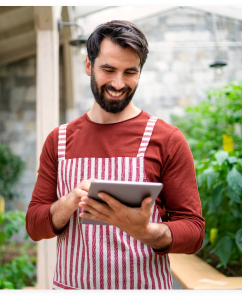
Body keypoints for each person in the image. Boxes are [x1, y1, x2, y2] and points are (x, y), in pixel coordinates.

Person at [26, 20, 205, 290]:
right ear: (89, 66)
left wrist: (146, 232)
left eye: (130, 72)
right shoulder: (58, 140)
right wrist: (70, 202)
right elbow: (34, 226)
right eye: (108, 69)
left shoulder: (166, 139)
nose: (118, 83)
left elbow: (193, 232)